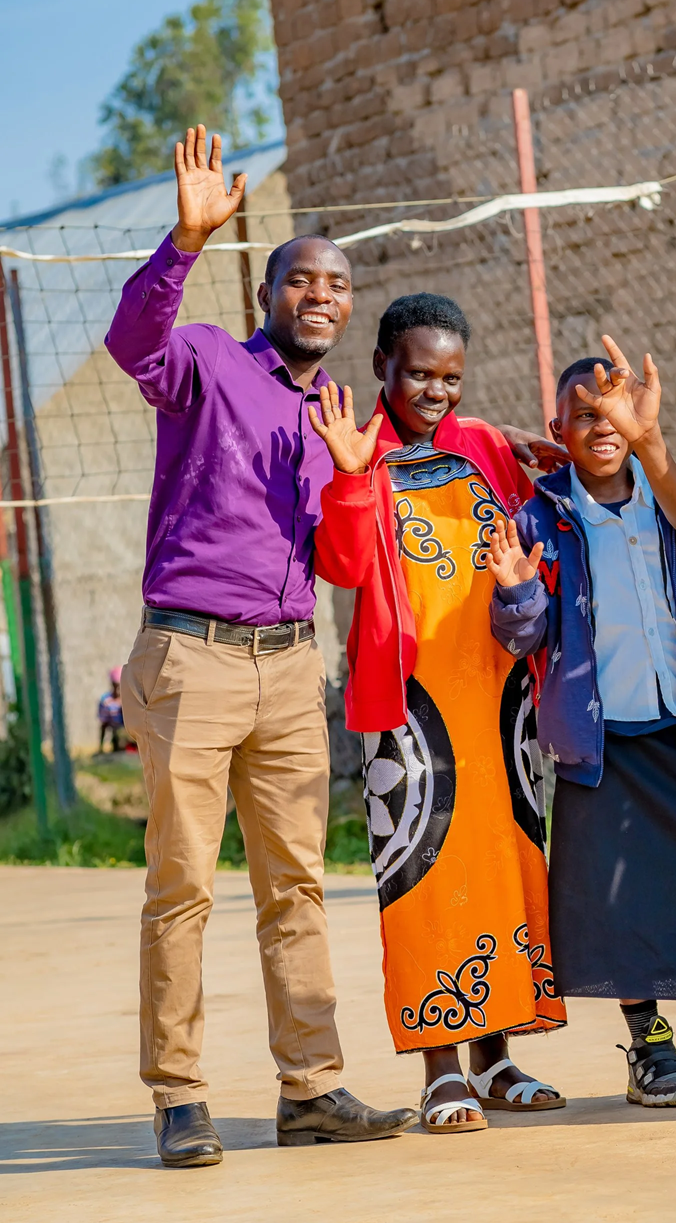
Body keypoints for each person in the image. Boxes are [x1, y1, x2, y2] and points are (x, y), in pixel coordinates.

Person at [106, 126, 555, 1167]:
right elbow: (137, 343)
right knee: (181, 885)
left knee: (295, 885)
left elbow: (348, 566)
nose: (320, 292)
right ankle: (179, 1093)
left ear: (349, 309)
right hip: (191, 653)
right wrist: (181, 242)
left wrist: (354, 473)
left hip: (288, 665)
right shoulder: (210, 360)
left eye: (336, 283)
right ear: (269, 293)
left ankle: (309, 1085)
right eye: (300, 278)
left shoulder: (339, 419)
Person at [484, 342, 676, 1105]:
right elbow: (524, 639)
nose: (602, 424)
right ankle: (648, 1041)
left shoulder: (672, 503)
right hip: (599, 746)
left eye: (614, 409)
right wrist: (515, 593)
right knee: (612, 902)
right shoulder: (541, 516)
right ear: (559, 428)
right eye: (584, 414)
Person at [309, 293, 568, 1135]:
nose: (436, 391)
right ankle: (440, 1070)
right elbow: (343, 568)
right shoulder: (356, 448)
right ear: (382, 364)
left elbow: (539, 544)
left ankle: (495, 1060)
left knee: (503, 864)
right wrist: (350, 476)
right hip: (412, 706)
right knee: (422, 870)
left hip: (500, 695)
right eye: (419, 372)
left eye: (451, 377)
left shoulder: (487, 446)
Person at [97, 666, 126, 753]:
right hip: (117, 734)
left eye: (120, 686)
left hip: (131, 733)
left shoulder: (129, 699)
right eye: (115, 686)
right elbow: (104, 724)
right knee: (120, 735)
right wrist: (101, 748)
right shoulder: (106, 701)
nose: (118, 690)